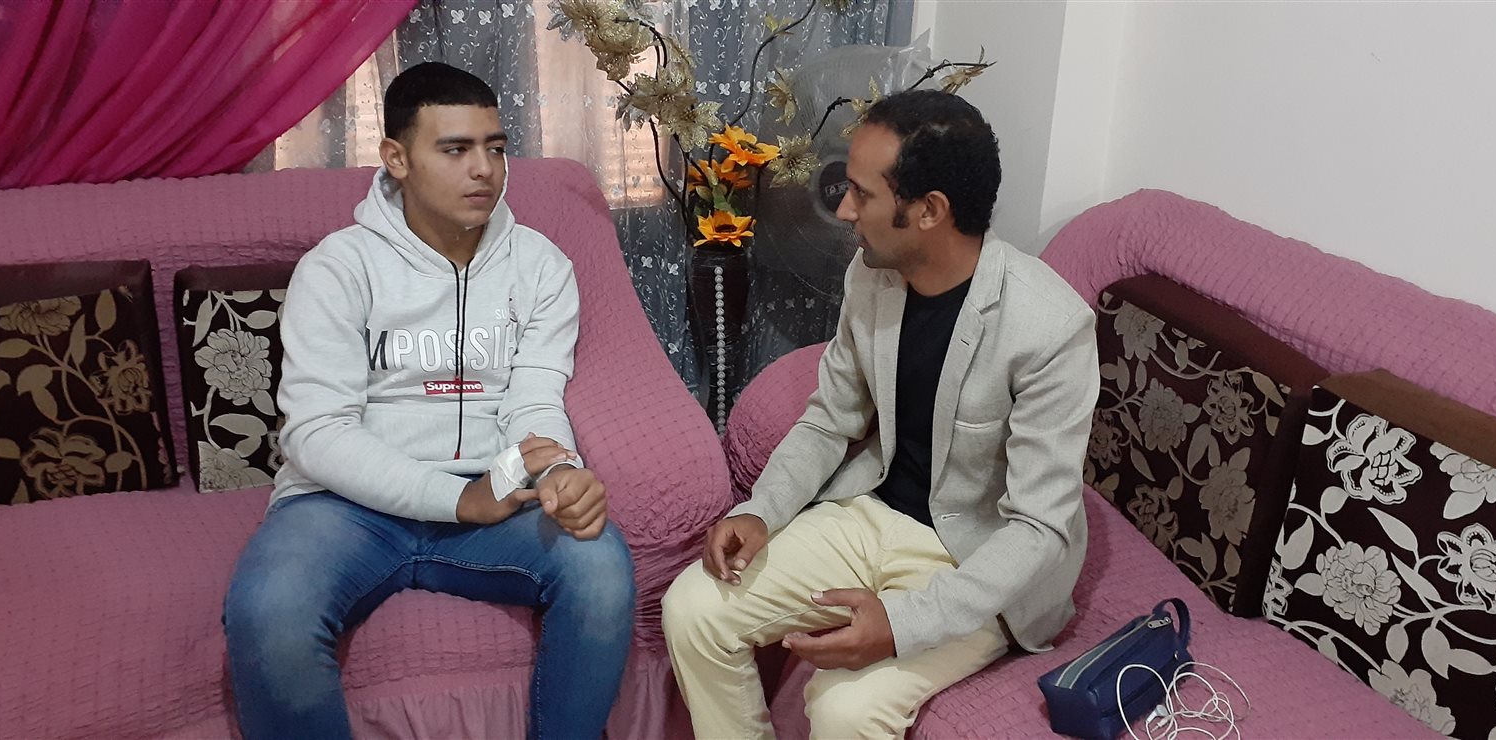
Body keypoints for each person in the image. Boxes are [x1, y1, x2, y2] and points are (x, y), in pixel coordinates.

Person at [662, 89, 1101, 738]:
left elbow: (1038, 527)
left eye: (861, 194)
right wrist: (760, 510)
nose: (843, 210)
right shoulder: (870, 276)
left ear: (929, 211)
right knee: (693, 608)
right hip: (872, 511)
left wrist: (902, 623)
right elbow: (829, 419)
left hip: (974, 555)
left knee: (846, 708)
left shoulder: (1050, 328)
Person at [222, 62, 634, 740]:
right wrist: (456, 499)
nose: (484, 170)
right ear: (396, 158)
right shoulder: (338, 268)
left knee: (601, 568)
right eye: (455, 149)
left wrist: (560, 469)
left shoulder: (541, 267)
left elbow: (535, 397)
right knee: (268, 610)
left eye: (495, 148)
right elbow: (317, 431)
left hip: (493, 494)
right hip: (346, 506)